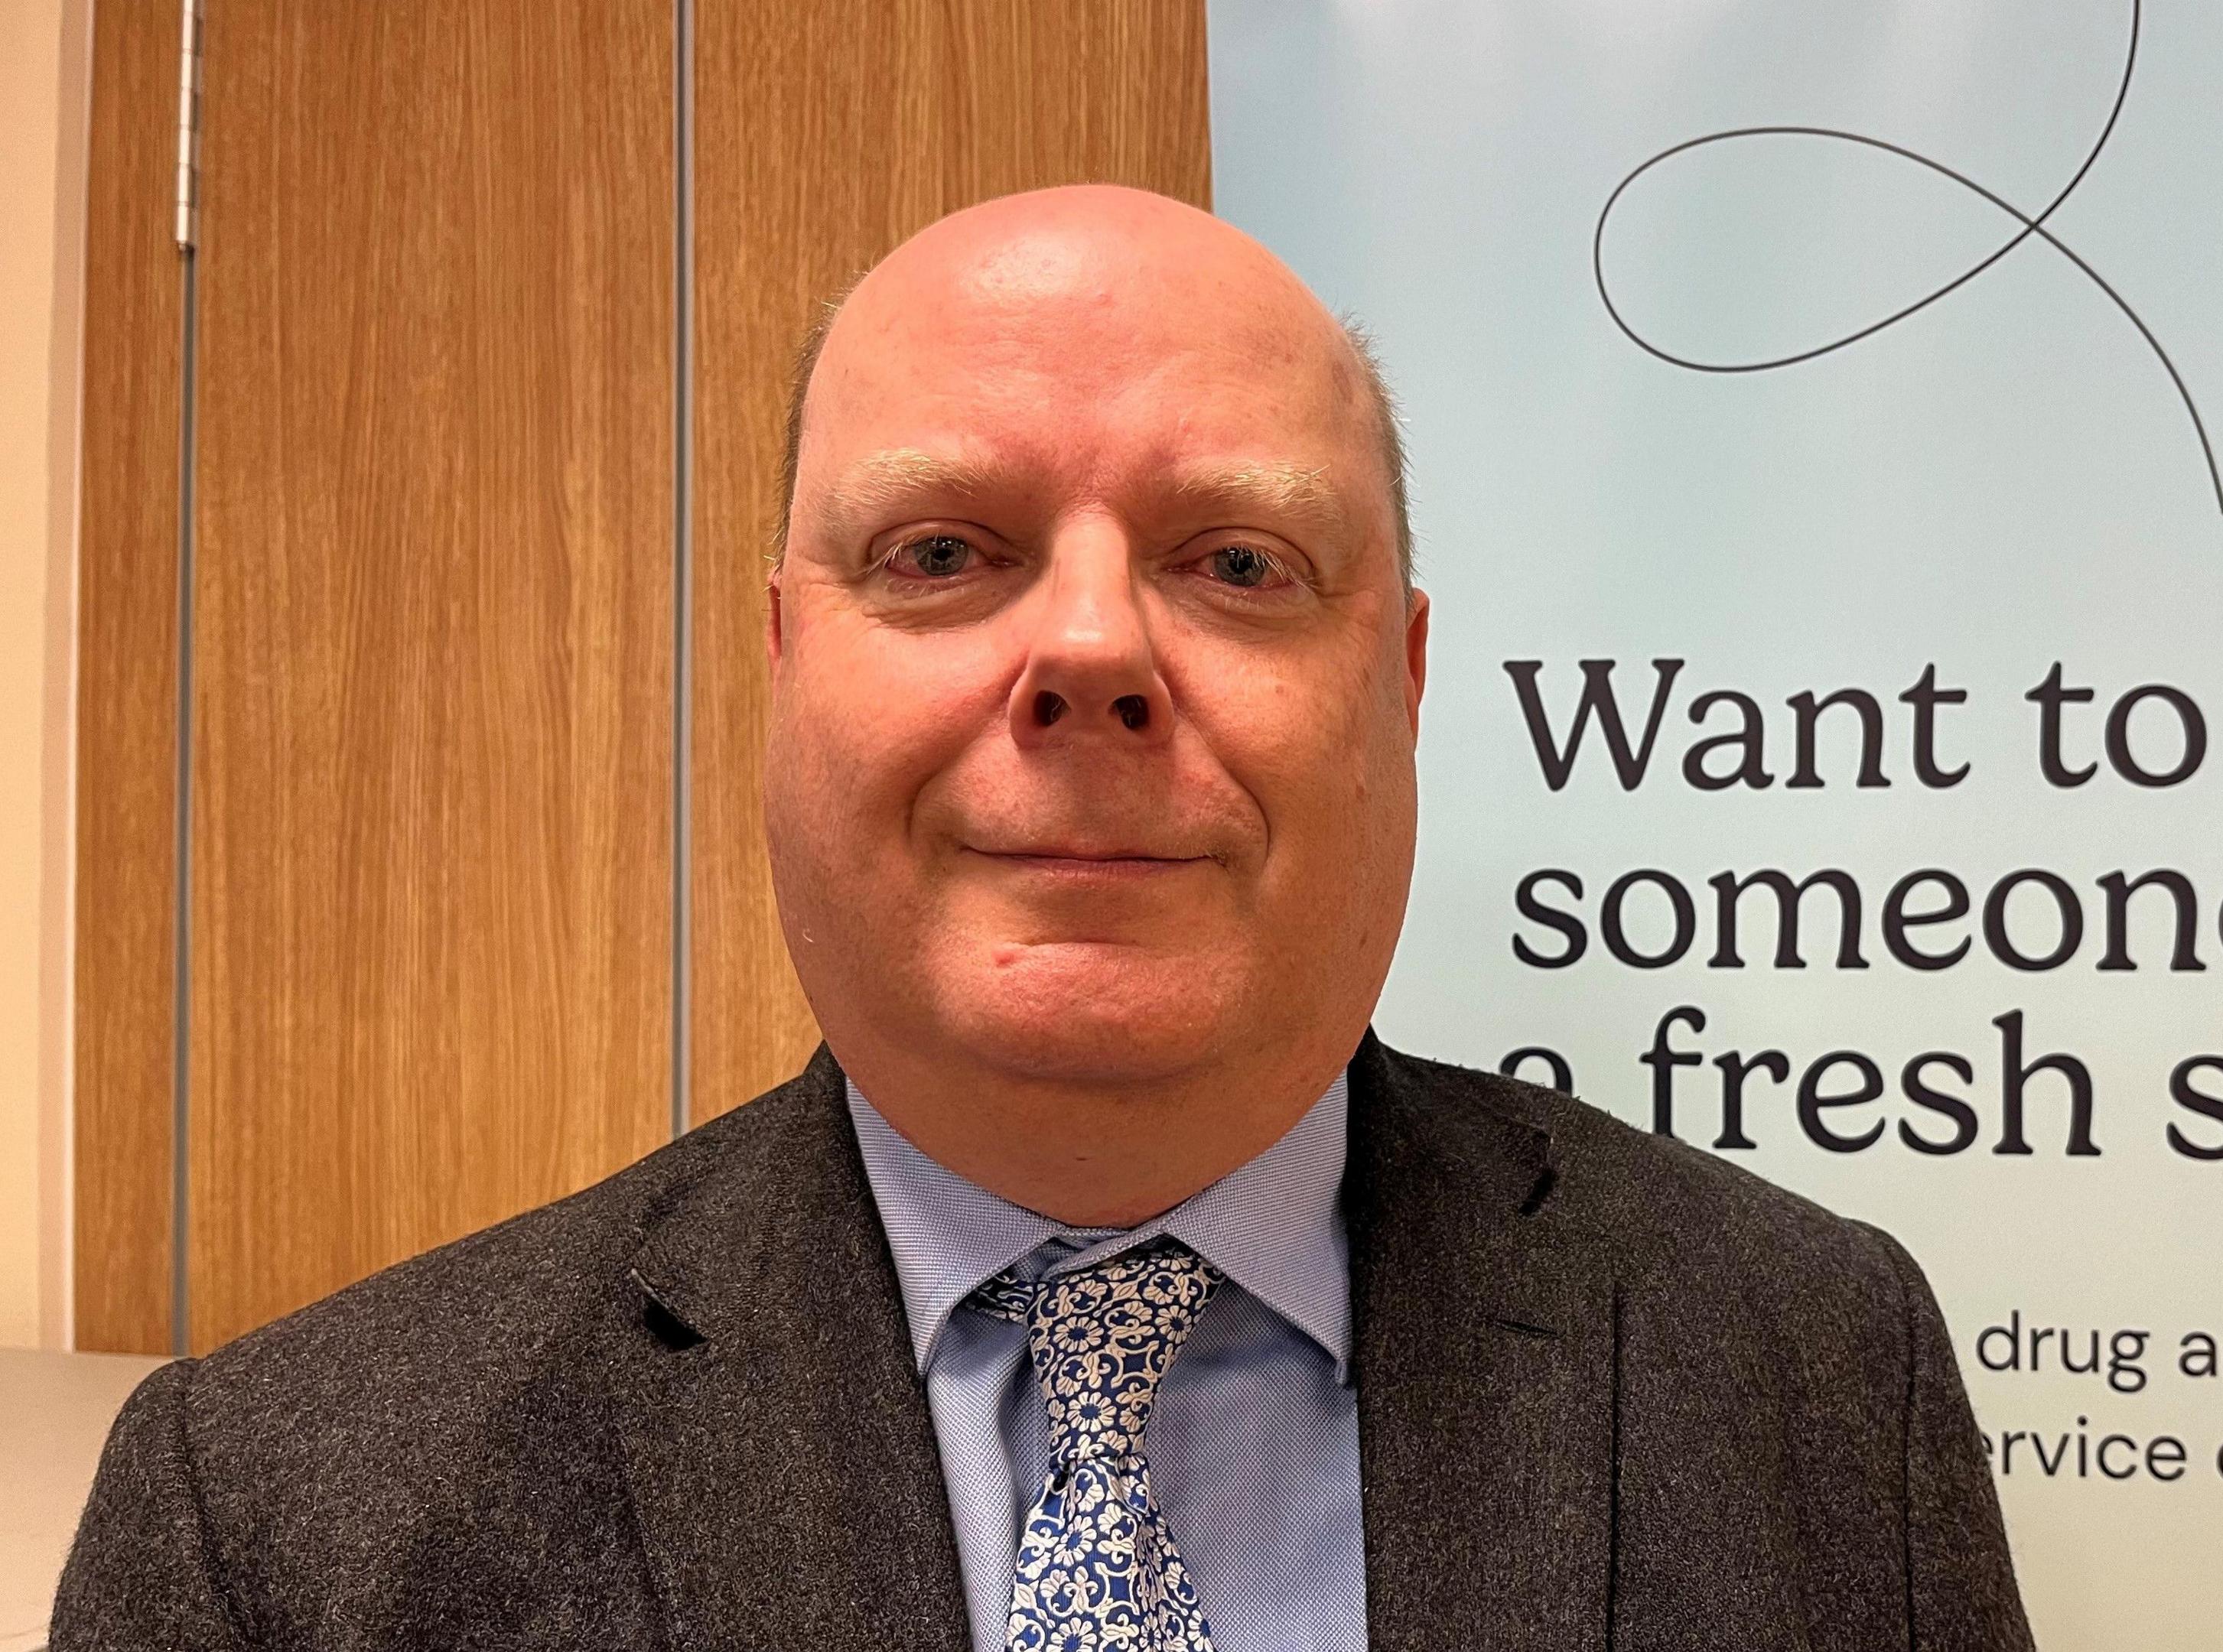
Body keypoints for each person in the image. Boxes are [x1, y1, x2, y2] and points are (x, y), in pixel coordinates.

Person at [54, 186, 2032, 1651]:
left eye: (1239, 562)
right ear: (781, 659)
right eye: (943, 553)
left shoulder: (1810, 1366)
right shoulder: (283, 1521)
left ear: (1405, 682)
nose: (1091, 649)